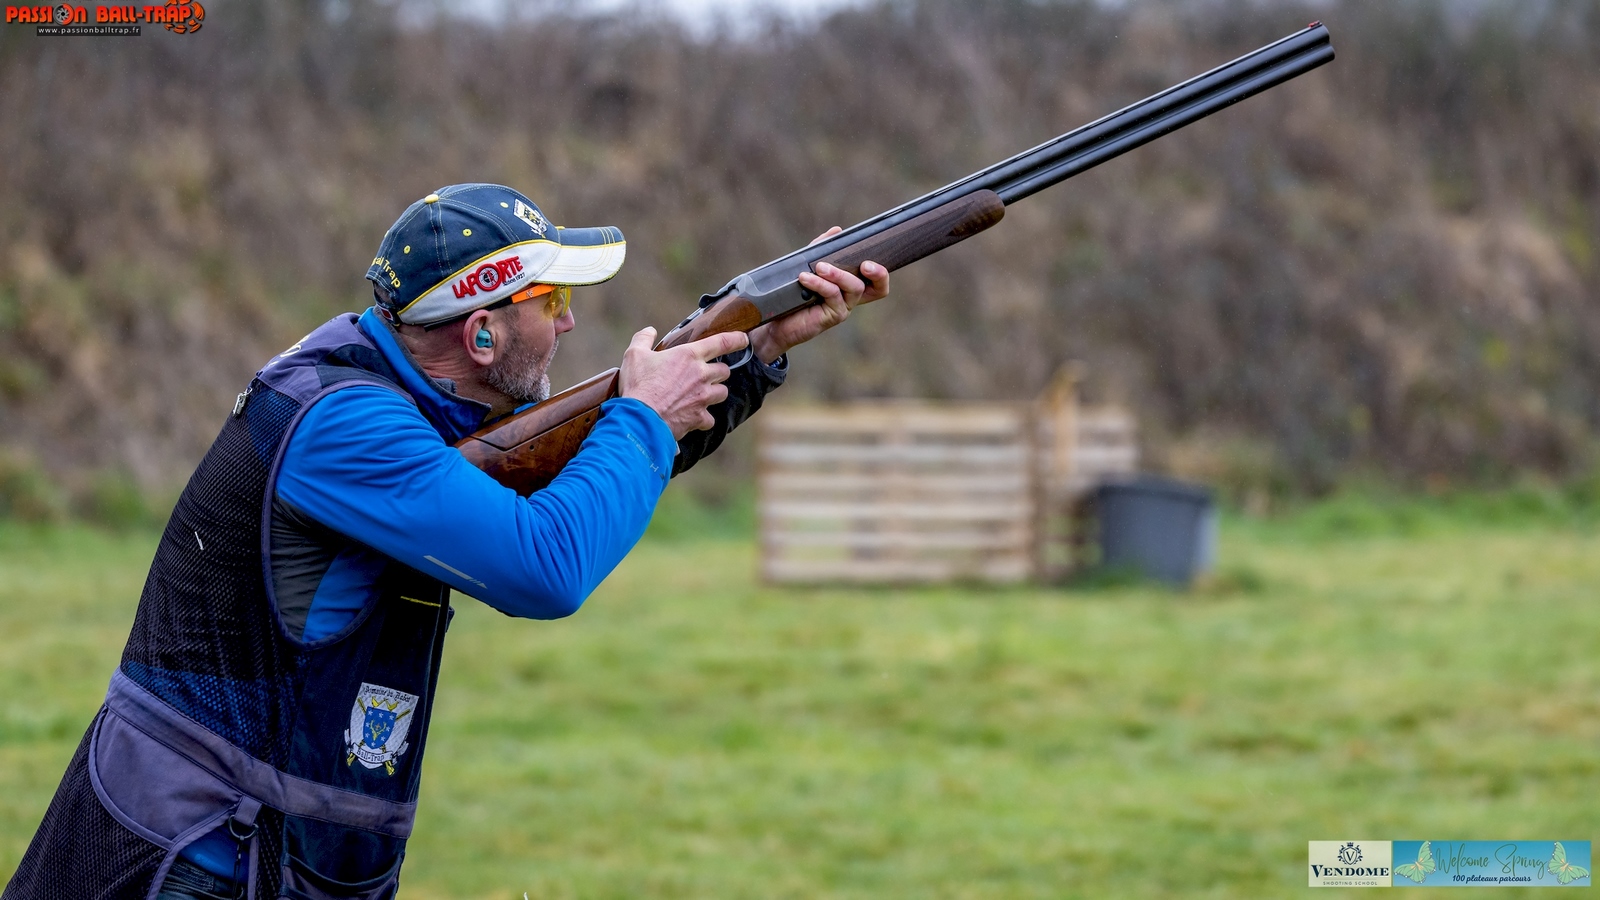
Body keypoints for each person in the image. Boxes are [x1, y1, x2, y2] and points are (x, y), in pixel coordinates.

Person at [2, 183, 888, 900]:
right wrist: (643, 416)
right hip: (195, 856)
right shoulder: (347, 426)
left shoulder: (397, 395)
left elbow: (572, 473)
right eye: (552, 300)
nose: (570, 324)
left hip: (255, 844)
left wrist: (756, 350)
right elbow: (548, 564)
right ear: (482, 332)